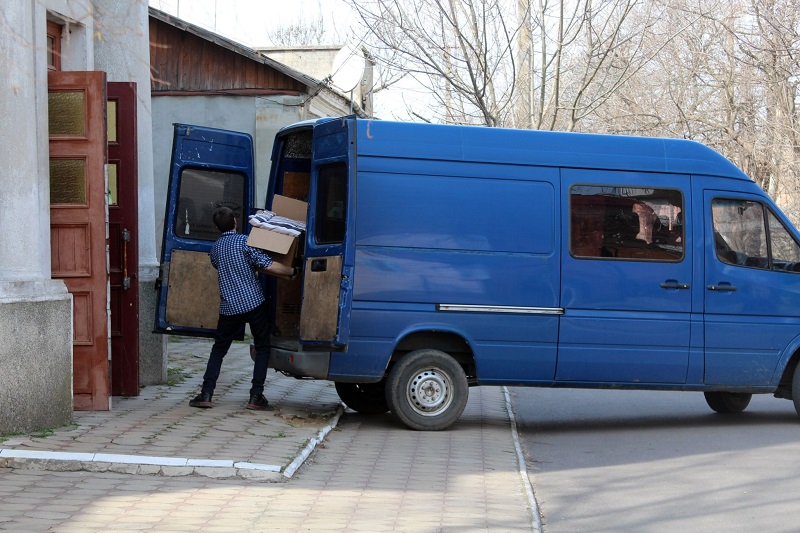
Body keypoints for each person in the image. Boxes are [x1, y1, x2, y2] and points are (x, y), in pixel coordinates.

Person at [189, 206, 297, 410]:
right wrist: (293, 271)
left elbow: (218, 265)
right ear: (235, 223)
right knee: (262, 347)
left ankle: (206, 394)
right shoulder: (245, 242)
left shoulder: (216, 248)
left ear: (217, 227)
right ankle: (256, 396)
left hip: (229, 307)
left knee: (219, 350)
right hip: (253, 303)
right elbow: (267, 265)